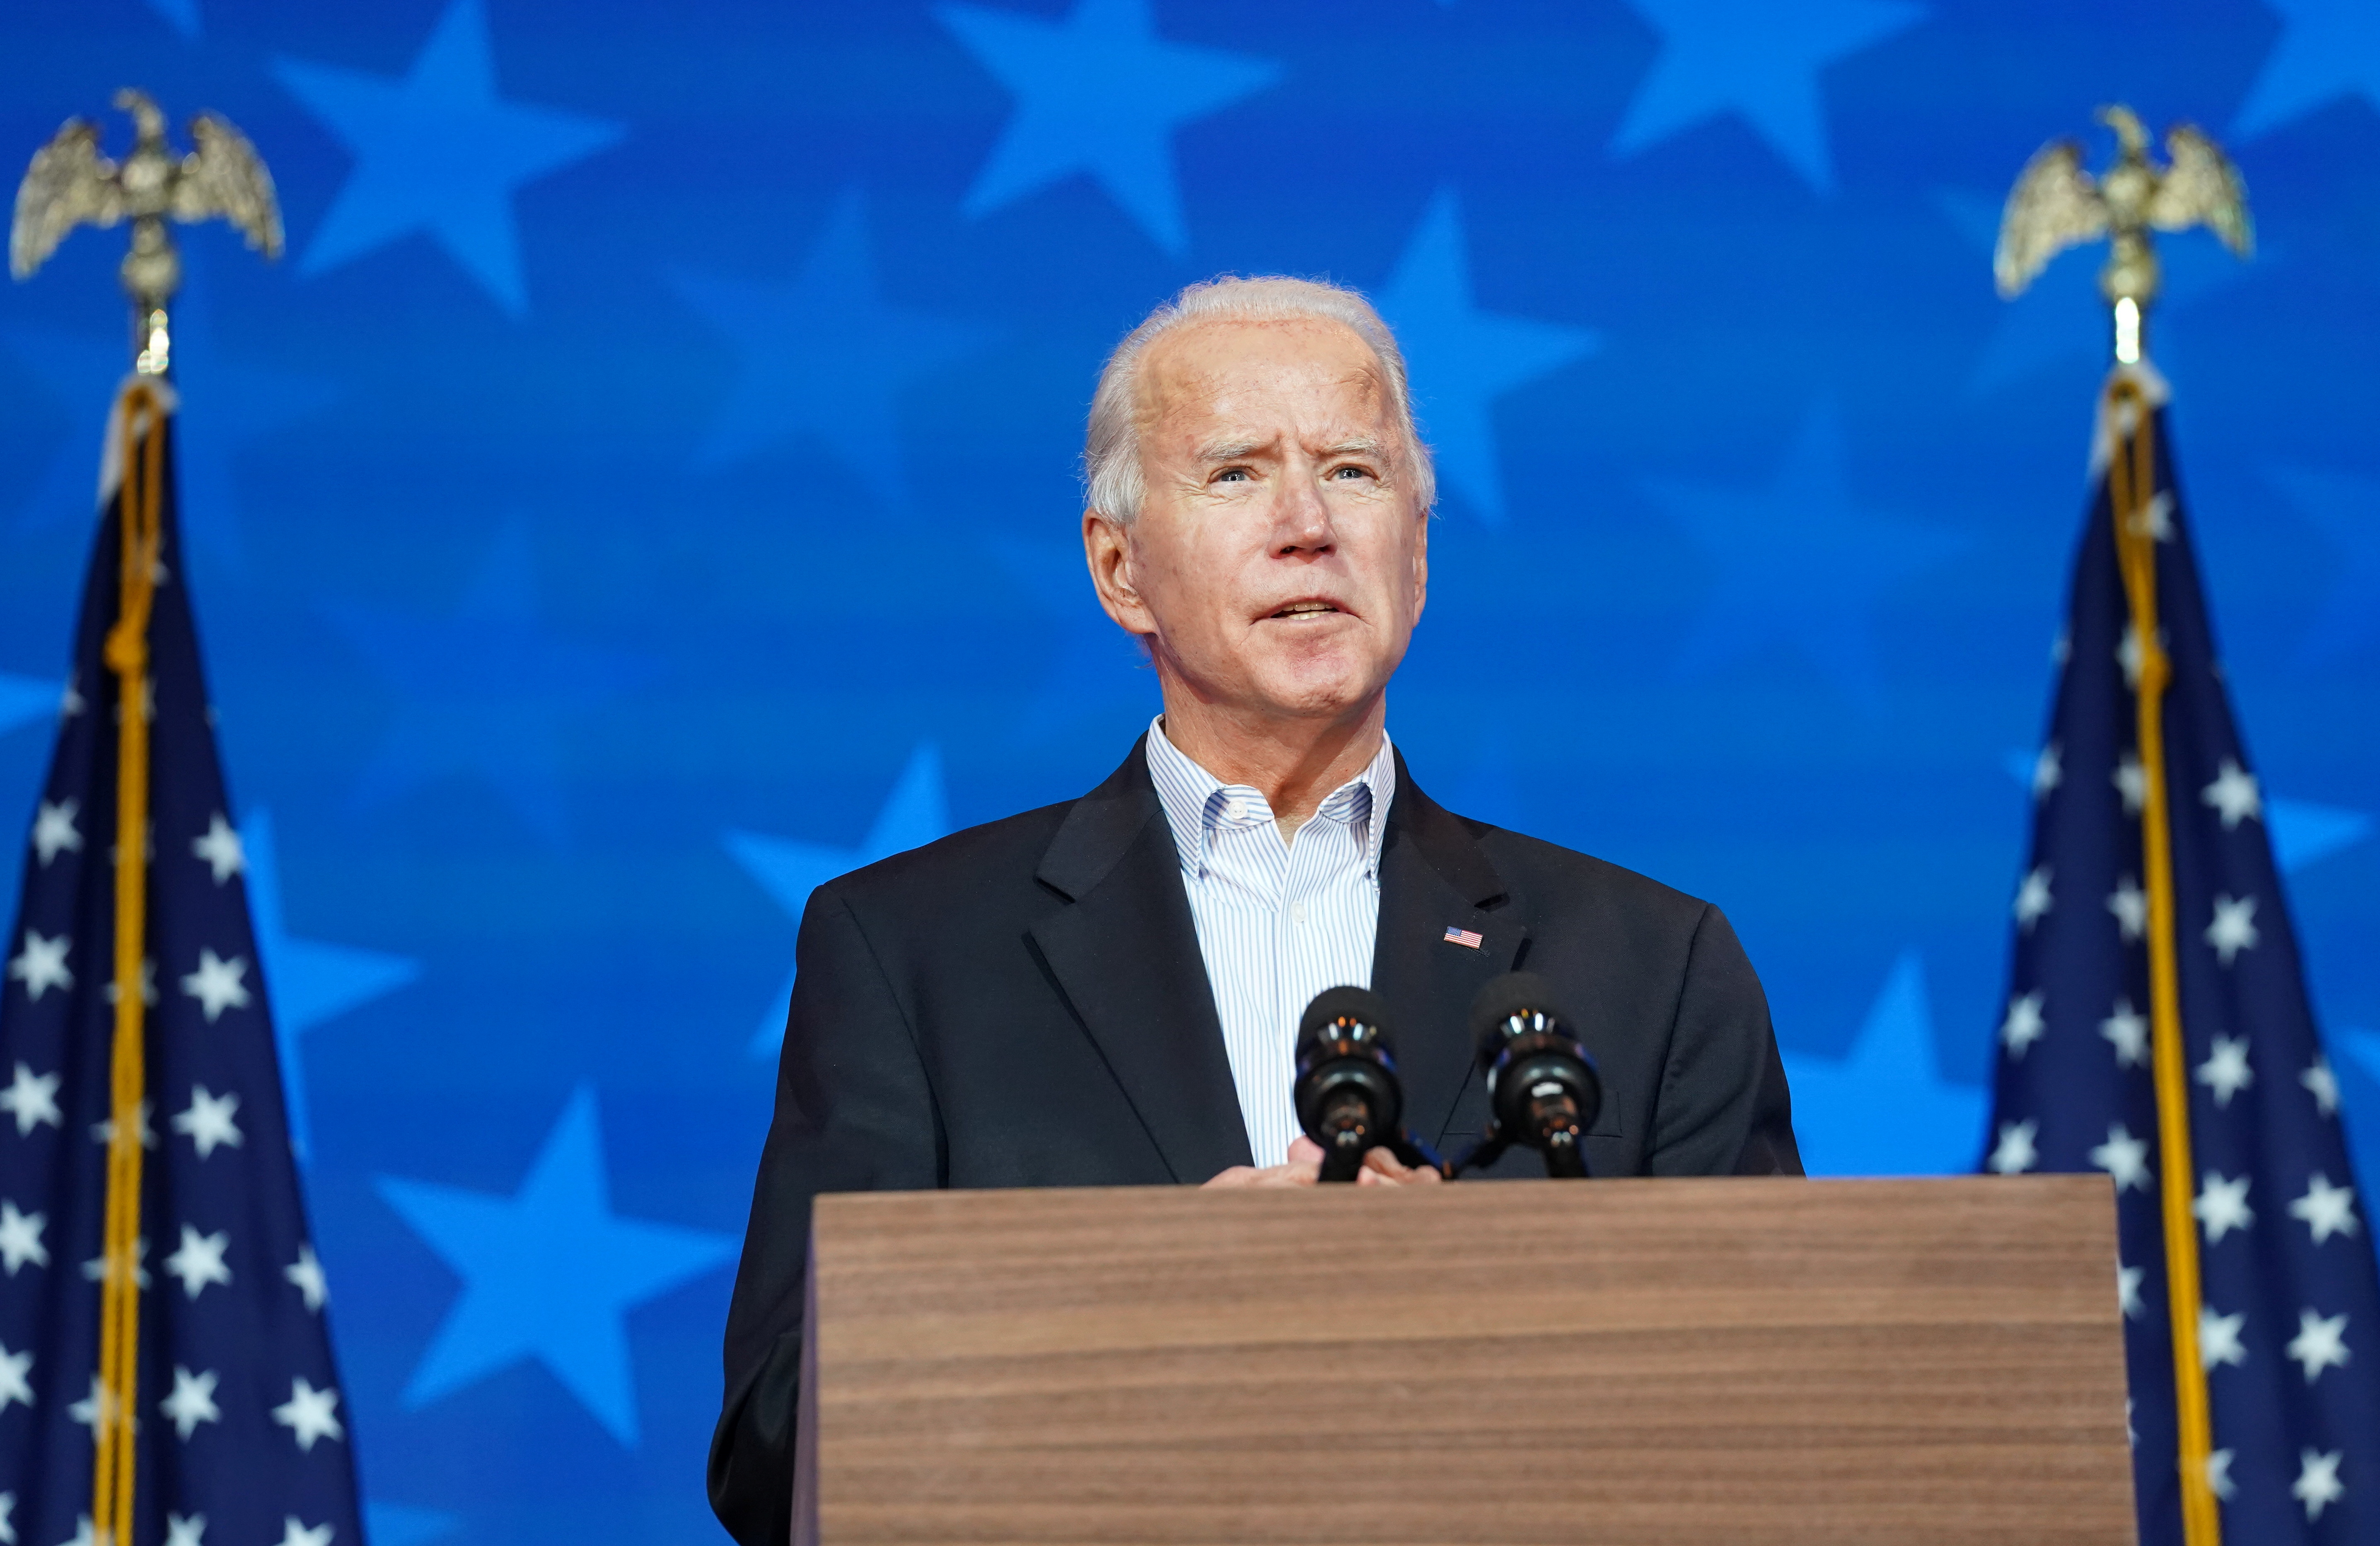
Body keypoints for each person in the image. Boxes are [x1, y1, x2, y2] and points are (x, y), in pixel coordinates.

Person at [708, 276, 1800, 1544]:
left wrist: (1491, 1310)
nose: (1306, 524)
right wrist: (1156, 1298)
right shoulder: (908, 953)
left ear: (1418, 553)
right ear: (1119, 570)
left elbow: (1766, 1433)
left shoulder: (1652, 965)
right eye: (1235, 474)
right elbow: (779, 1447)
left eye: (1352, 471)